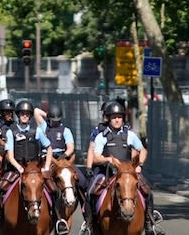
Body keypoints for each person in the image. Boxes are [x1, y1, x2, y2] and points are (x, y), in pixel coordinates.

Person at [85, 100, 163, 235]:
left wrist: (139, 165)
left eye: (119, 117)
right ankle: (90, 224)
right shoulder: (101, 137)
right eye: (114, 117)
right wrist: (107, 159)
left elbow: (143, 151)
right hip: (108, 172)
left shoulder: (130, 135)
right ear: (108, 118)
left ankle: (149, 223)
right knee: (90, 192)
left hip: (128, 172)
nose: (117, 120)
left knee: (147, 190)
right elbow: (96, 156)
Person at [43, 102, 82, 211]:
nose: (55, 123)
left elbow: (70, 147)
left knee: (82, 181)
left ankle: (85, 210)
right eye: (53, 120)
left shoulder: (65, 130)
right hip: (46, 158)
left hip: (61, 158)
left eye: (57, 121)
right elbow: (36, 112)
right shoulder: (43, 128)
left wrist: (64, 155)